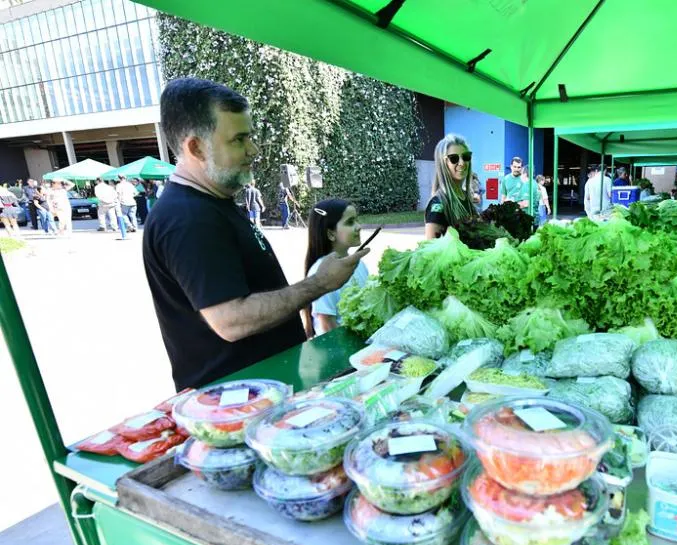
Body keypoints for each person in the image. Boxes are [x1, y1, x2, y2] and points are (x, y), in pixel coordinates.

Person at [143, 77, 368, 391]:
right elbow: (231, 320)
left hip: (263, 391)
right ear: (196, 147)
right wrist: (320, 283)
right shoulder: (187, 218)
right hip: (238, 404)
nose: (254, 149)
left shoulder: (212, 202)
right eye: (239, 139)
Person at [302, 199, 368, 338]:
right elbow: (327, 327)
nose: (359, 227)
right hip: (338, 352)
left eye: (357, 220)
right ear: (331, 234)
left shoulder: (360, 264)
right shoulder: (321, 272)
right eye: (350, 222)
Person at [424, 133, 477, 239]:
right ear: (443, 163)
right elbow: (431, 252)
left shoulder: (465, 197)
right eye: (454, 158)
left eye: (466, 157)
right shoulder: (438, 204)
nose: (462, 163)